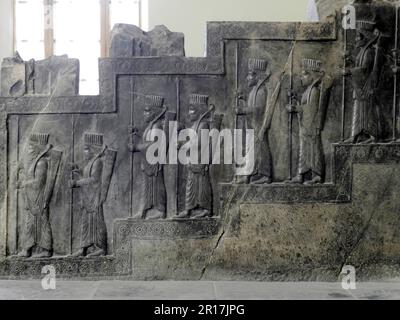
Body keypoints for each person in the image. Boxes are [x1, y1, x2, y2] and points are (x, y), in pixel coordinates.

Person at [286, 59, 329, 185]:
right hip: (305, 126)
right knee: (303, 150)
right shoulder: (308, 90)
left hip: (311, 125)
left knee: (314, 150)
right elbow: (305, 106)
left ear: (312, 76)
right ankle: (301, 174)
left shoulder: (314, 91)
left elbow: (311, 109)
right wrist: (295, 99)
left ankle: (317, 175)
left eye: (304, 74)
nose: (301, 77)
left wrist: (296, 108)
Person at [234, 58, 273, 184]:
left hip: (259, 126)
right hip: (252, 126)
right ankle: (251, 174)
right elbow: (252, 105)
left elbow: (258, 109)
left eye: (250, 74)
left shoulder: (261, 91)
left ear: (258, 75)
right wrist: (244, 99)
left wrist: (243, 110)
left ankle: (265, 174)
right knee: (252, 151)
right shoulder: (253, 91)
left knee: (261, 149)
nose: (247, 78)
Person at [345, 19, 383, 144]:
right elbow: (359, 64)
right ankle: (355, 135)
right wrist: (349, 59)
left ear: (365, 38)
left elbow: (364, 69)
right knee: (358, 111)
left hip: (366, 87)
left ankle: (373, 136)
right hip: (360, 87)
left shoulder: (370, 51)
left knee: (368, 112)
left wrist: (350, 71)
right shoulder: (363, 51)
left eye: (358, 36)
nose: (356, 39)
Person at [128, 95, 167, 220]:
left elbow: (153, 144)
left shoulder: (156, 126)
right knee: (147, 187)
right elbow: (147, 140)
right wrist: (137, 135)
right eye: (144, 110)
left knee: (157, 186)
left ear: (155, 112)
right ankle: (144, 210)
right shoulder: (151, 126)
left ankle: (160, 210)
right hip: (147, 163)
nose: (144, 113)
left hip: (154, 164)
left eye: (147, 111)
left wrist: (137, 147)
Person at [70, 133, 108, 257]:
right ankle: (84, 248)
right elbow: (87, 176)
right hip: (88, 199)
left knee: (97, 222)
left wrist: (77, 182)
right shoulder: (90, 162)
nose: (84, 152)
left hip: (95, 198)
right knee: (86, 223)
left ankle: (102, 248)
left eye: (86, 149)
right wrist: (79, 172)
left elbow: (94, 180)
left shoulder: (97, 162)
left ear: (94, 149)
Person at [176, 94, 213, 219]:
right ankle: (189, 209)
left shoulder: (203, 125)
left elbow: (199, 143)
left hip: (200, 161)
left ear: (199, 110)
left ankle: (206, 209)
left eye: (192, 109)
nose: (189, 112)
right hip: (192, 162)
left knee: (202, 186)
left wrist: (183, 143)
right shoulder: (194, 126)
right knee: (191, 186)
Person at [17, 133, 53, 258]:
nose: (28, 149)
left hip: (39, 198)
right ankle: (27, 249)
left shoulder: (41, 163)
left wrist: (24, 183)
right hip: (30, 197)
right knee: (29, 223)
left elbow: (38, 182)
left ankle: (47, 250)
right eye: (28, 147)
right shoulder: (32, 162)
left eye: (31, 147)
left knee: (43, 222)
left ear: (38, 148)